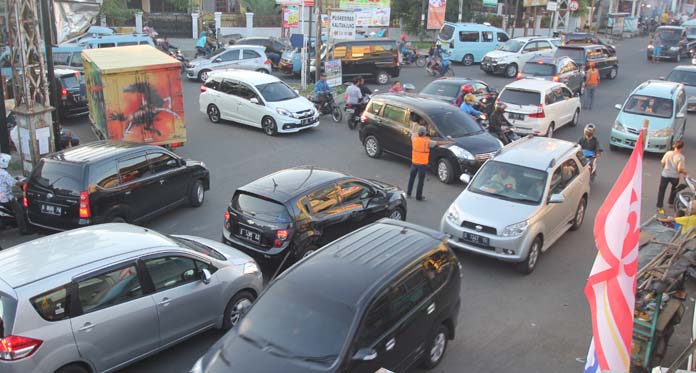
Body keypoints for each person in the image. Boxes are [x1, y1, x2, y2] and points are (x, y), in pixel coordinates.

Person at [407, 126, 454, 200]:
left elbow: (413, 134)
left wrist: (414, 127)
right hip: (422, 165)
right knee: (420, 181)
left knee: (411, 179)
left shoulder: (414, 139)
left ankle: (408, 194)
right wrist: (450, 142)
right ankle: (418, 197)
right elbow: (438, 143)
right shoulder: (427, 142)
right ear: (424, 133)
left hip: (414, 163)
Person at [657, 140, 687, 214]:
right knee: (674, 189)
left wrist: (665, 168)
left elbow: (662, 162)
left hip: (665, 174)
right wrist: (685, 172)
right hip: (674, 176)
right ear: (681, 148)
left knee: (662, 190)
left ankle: (659, 206)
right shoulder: (681, 157)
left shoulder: (668, 153)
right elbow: (679, 169)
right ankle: (670, 202)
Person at [0, 153, 26, 232]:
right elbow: (13, 183)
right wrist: (24, 183)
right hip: (6, 197)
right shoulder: (4, 174)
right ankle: (23, 230)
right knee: (19, 211)